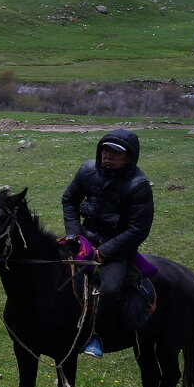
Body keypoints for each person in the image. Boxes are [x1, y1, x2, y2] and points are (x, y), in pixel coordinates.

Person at [61, 128, 154, 358]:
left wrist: (105, 253)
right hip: (83, 236)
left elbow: (138, 229)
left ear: (129, 157)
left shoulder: (138, 184)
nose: (107, 156)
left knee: (110, 287)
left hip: (116, 247)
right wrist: (75, 235)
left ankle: (98, 336)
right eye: (105, 150)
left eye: (115, 153)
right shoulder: (87, 170)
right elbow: (69, 200)